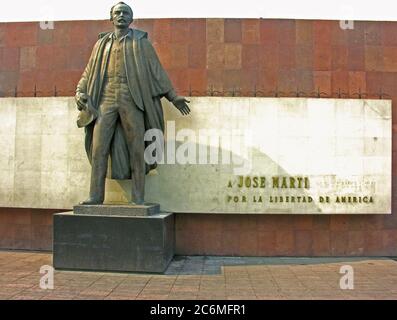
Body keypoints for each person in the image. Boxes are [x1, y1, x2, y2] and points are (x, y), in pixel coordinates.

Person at [75, 2, 190, 205]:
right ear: (111, 18)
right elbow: (89, 72)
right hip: (105, 101)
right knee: (99, 148)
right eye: (117, 13)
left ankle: (138, 198)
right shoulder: (101, 44)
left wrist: (173, 96)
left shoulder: (141, 43)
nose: (121, 15)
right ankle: (95, 196)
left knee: (137, 148)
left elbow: (157, 71)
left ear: (131, 18)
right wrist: (79, 92)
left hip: (132, 99)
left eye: (125, 13)